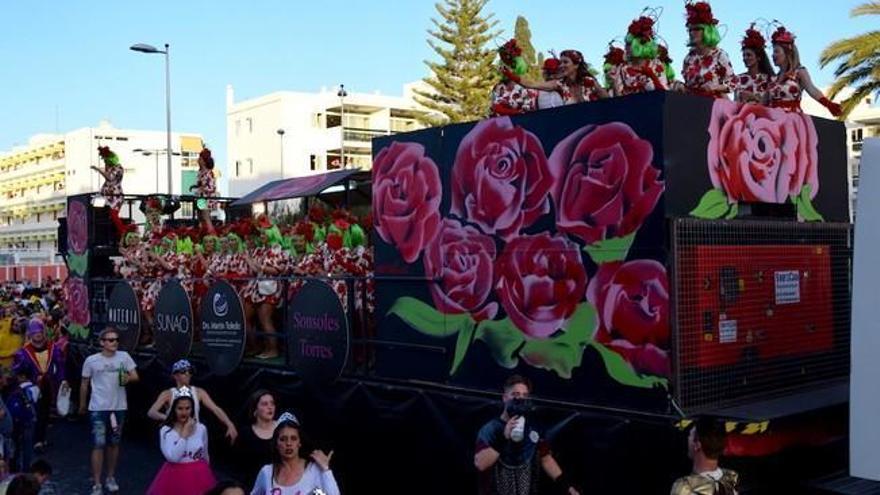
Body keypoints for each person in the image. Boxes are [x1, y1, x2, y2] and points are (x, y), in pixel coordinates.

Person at [474, 375, 580, 495]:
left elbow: (546, 459)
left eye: (524, 395)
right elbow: (481, 465)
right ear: (505, 398)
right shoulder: (490, 429)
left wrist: (567, 487)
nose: (520, 399)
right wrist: (503, 437)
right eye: (515, 394)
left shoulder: (533, 428)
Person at [79, 327, 139, 495]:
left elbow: (135, 376)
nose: (115, 343)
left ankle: (110, 477)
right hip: (98, 407)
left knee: (114, 443)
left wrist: (128, 378)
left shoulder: (124, 357)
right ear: (102, 343)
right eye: (111, 340)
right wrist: (82, 405)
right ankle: (97, 483)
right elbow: (84, 383)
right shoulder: (91, 360)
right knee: (98, 444)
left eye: (116, 340)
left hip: (118, 407)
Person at [146, 359, 238, 443]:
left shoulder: (199, 392)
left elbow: (215, 409)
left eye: (189, 371)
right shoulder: (168, 394)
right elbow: (151, 412)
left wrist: (229, 423)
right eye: (183, 371)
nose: (187, 374)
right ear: (175, 375)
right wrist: (169, 418)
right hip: (175, 434)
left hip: (194, 433)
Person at [250, 412, 339, 495]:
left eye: (293, 438)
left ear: (299, 443)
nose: (288, 443)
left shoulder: (313, 470)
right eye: (283, 439)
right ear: (276, 444)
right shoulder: (267, 472)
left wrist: (326, 470)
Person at [146, 391, 216, 495]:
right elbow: (173, 458)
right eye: (180, 408)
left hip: (199, 474)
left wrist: (206, 473)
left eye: (187, 408)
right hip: (174, 476)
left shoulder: (201, 428)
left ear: (192, 409)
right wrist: (184, 434)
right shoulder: (166, 430)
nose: (184, 412)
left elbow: (205, 454)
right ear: (173, 409)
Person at [12, 320, 66, 452]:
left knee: (44, 411)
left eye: (39, 332)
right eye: (34, 332)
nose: (37, 335)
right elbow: (18, 371)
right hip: (32, 386)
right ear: (30, 334)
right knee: (33, 413)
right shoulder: (24, 352)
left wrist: (62, 381)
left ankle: (40, 438)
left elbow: (60, 365)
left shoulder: (53, 348)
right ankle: (35, 440)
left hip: (48, 384)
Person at [768, 24, 842, 116]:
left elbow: (812, 89)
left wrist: (828, 104)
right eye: (772, 52)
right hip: (773, 121)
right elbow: (764, 101)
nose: (772, 55)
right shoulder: (773, 79)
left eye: (776, 51)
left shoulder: (799, 72)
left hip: (792, 120)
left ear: (787, 53)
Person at [680, 2, 735, 98]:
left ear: (707, 31)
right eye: (690, 30)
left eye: (696, 29)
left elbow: (733, 84)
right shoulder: (688, 58)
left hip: (713, 105)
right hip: (691, 104)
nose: (692, 33)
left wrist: (715, 87)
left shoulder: (719, 55)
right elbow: (688, 85)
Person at [670, 417, 739, 494]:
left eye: (690, 435)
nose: (688, 438)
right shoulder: (731, 478)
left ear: (697, 445)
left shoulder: (685, 486)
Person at [615, 13, 668, 96]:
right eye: (626, 44)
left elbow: (664, 94)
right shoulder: (622, 69)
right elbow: (619, 98)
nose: (626, 48)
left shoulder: (655, 64)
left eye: (630, 44)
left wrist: (652, 76)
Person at [237, 390, 279, 487]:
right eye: (265, 404)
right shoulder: (245, 434)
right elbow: (240, 466)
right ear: (255, 410)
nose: (270, 407)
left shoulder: (283, 429)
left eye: (272, 403)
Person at [490, 39, 537, 116]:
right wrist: (514, 112)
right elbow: (495, 107)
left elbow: (529, 108)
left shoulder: (526, 87)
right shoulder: (498, 87)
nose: (504, 67)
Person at [90, 146, 128, 236]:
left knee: (113, 214)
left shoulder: (117, 168)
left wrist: (99, 170)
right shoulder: (112, 168)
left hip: (114, 195)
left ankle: (122, 232)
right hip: (108, 195)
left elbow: (110, 178)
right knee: (105, 215)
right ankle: (113, 234)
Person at [734, 24, 774, 104]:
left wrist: (753, 97)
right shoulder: (738, 79)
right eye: (744, 55)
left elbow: (771, 104)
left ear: (758, 57)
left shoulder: (769, 79)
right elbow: (735, 102)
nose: (745, 58)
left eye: (749, 55)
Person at [190, 147, 218, 235]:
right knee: (200, 217)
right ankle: (204, 233)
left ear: (204, 161)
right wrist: (196, 187)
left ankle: (212, 234)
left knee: (206, 216)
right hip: (201, 198)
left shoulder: (208, 173)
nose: (198, 160)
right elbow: (201, 184)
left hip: (207, 198)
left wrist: (202, 189)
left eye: (200, 159)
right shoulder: (201, 173)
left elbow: (211, 187)